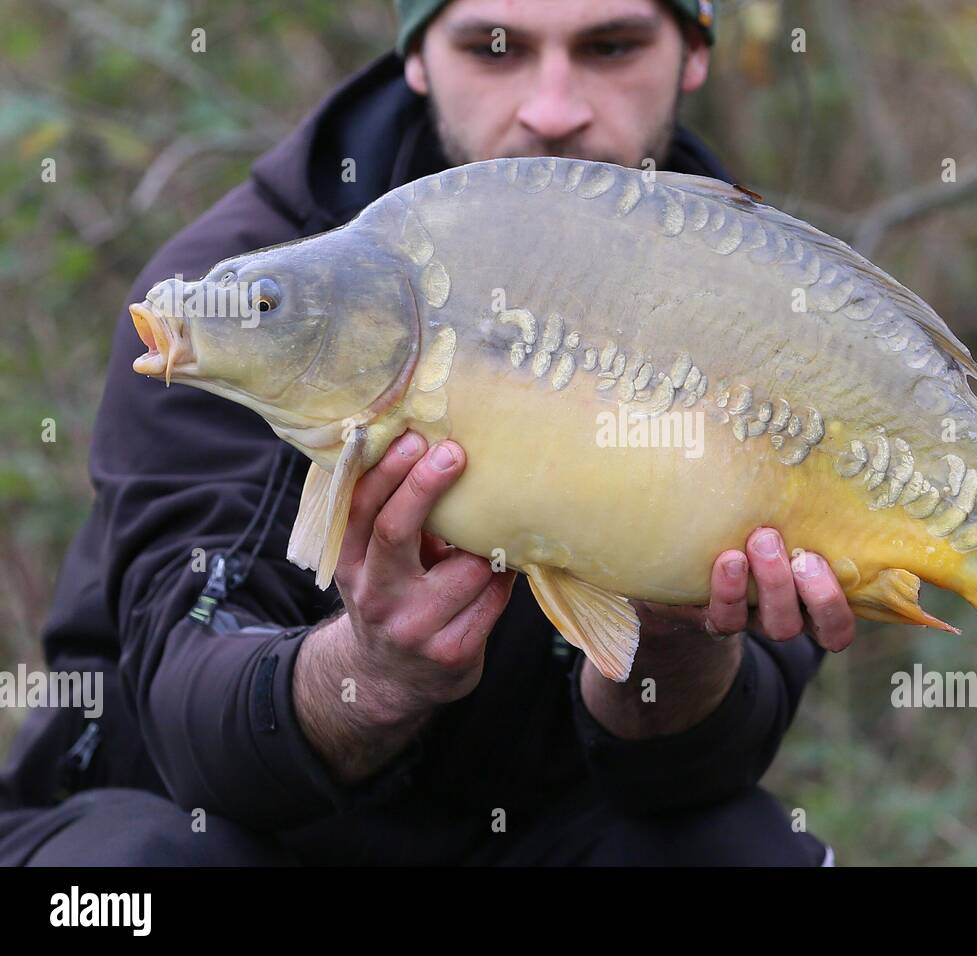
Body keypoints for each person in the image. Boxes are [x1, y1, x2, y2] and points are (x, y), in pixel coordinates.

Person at [0, 0, 856, 866]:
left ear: (694, 54)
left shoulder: (771, 302)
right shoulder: (251, 300)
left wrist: (676, 639)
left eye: (611, 46)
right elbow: (194, 724)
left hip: (541, 833)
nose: (552, 107)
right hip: (221, 834)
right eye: (496, 49)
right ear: (415, 58)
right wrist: (371, 673)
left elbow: (691, 779)